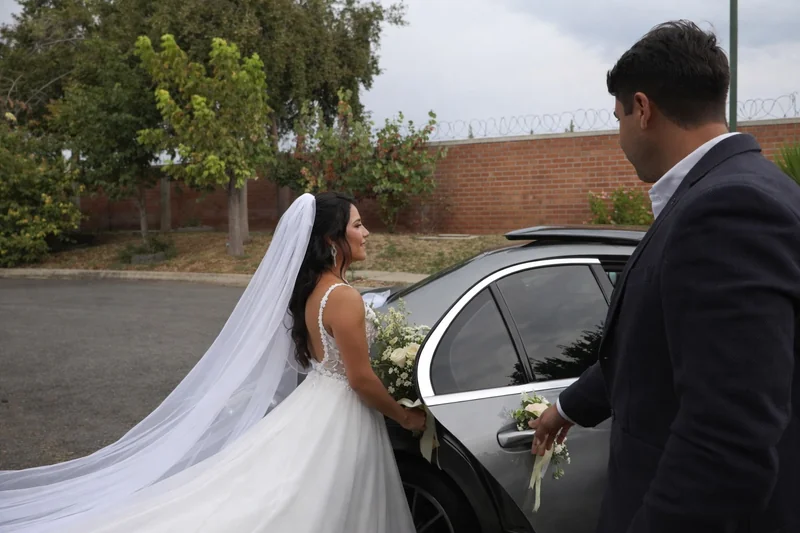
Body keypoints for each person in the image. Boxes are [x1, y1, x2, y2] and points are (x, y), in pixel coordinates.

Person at [0, 192, 424, 533]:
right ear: (333, 239)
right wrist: (405, 418)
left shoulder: (317, 291)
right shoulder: (344, 298)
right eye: (357, 224)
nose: (366, 232)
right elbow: (360, 379)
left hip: (316, 402)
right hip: (339, 414)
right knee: (306, 503)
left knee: (293, 493)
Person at [530, 20, 800, 533]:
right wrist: (567, 408)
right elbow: (653, 345)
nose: (620, 136)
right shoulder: (737, 189)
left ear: (643, 109)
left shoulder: (727, 210)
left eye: (618, 118)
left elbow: (726, 442)